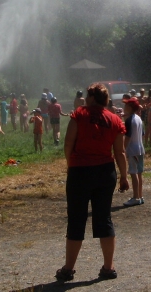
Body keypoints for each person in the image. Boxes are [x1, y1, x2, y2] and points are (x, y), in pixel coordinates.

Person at [56, 83, 128, 282]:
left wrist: (70, 163)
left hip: (80, 171)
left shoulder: (80, 114)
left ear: (92, 98)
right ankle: (108, 267)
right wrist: (124, 176)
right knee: (104, 219)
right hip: (105, 172)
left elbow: (68, 142)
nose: (86, 99)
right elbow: (120, 152)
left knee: (76, 219)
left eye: (88, 96)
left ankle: (68, 269)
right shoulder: (115, 119)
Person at [122, 97, 145, 207]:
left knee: (133, 172)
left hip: (132, 150)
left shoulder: (129, 120)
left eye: (126, 105)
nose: (124, 107)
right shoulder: (139, 118)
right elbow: (143, 134)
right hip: (140, 148)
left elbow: (127, 137)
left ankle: (135, 197)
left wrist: (123, 149)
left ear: (130, 107)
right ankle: (140, 196)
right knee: (139, 173)